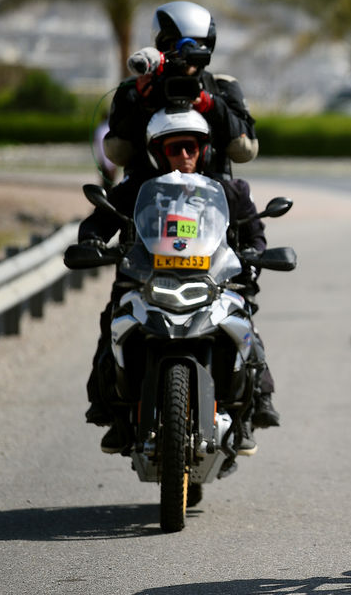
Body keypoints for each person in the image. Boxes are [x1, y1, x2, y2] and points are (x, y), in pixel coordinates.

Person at [80, 108, 277, 455]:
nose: (184, 156)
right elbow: (99, 220)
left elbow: (254, 232)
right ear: (158, 152)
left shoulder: (228, 189)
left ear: (204, 150)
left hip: (213, 281)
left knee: (246, 327)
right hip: (147, 281)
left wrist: (254, 258)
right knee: (112, 322)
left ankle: (254, 406)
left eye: (191, 147)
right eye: (175, 148)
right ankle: (112, 411)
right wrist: (92, 240)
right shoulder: (136, 189)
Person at [103, 1, 257, 189]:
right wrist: (143, 104)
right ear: (162, 45)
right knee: (102, 217)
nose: (187, 54)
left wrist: (210, 104)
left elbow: (246, 151)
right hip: (145, 199)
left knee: (249, 214)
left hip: (212, 198)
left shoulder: (223, 86)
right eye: (178, 44)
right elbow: (117, 153)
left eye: (197, 44)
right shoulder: (134, 88)